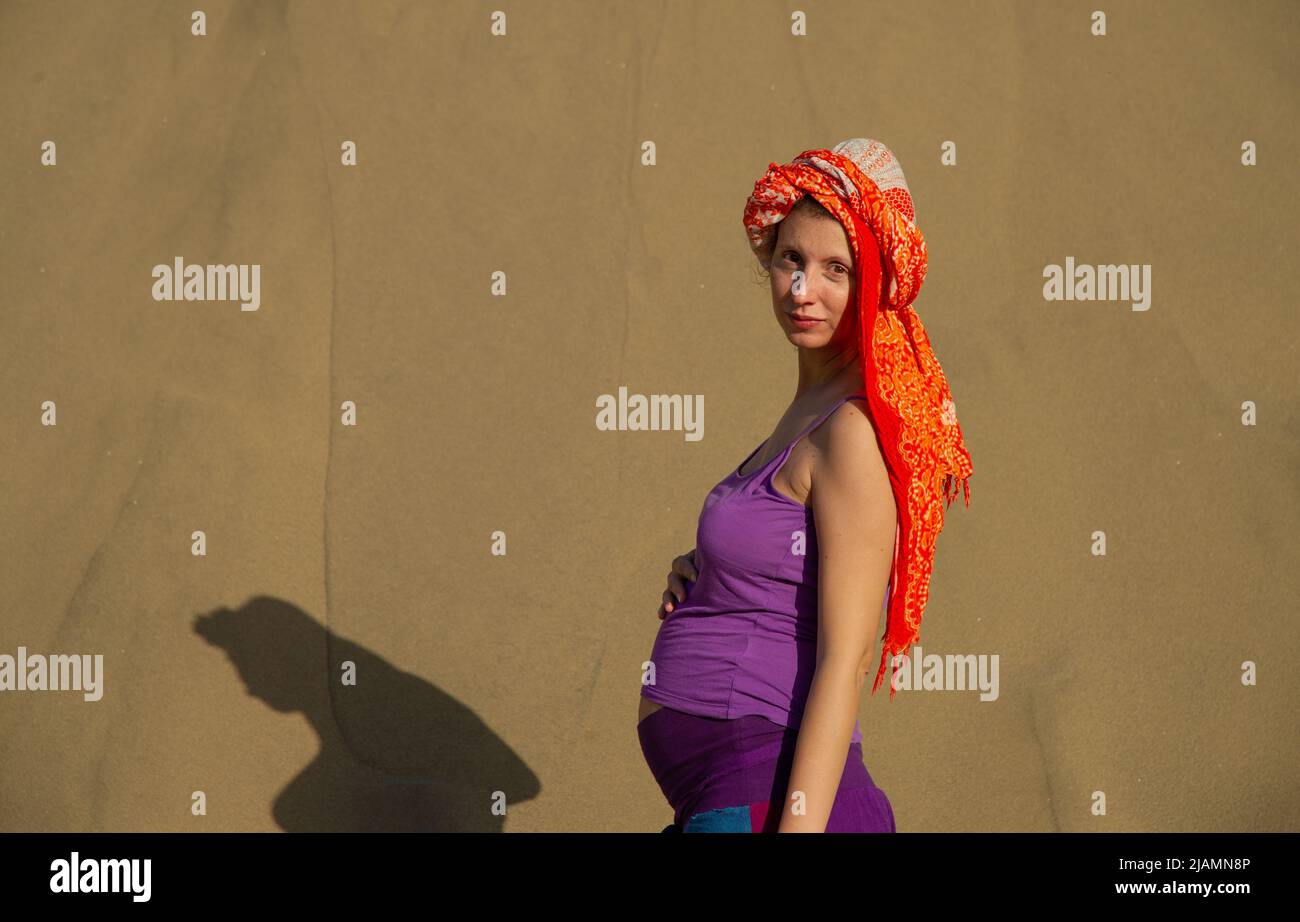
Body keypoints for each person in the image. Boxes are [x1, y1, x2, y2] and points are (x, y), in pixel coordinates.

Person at [637, 138, 973, 833]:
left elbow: (848, 659)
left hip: (771, 800)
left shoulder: (850, 432)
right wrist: (709, 573)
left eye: (835, 269)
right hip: (726, 796)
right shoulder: (809, 409)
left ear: (872, 284)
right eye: (792, 259)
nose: (801, 290)